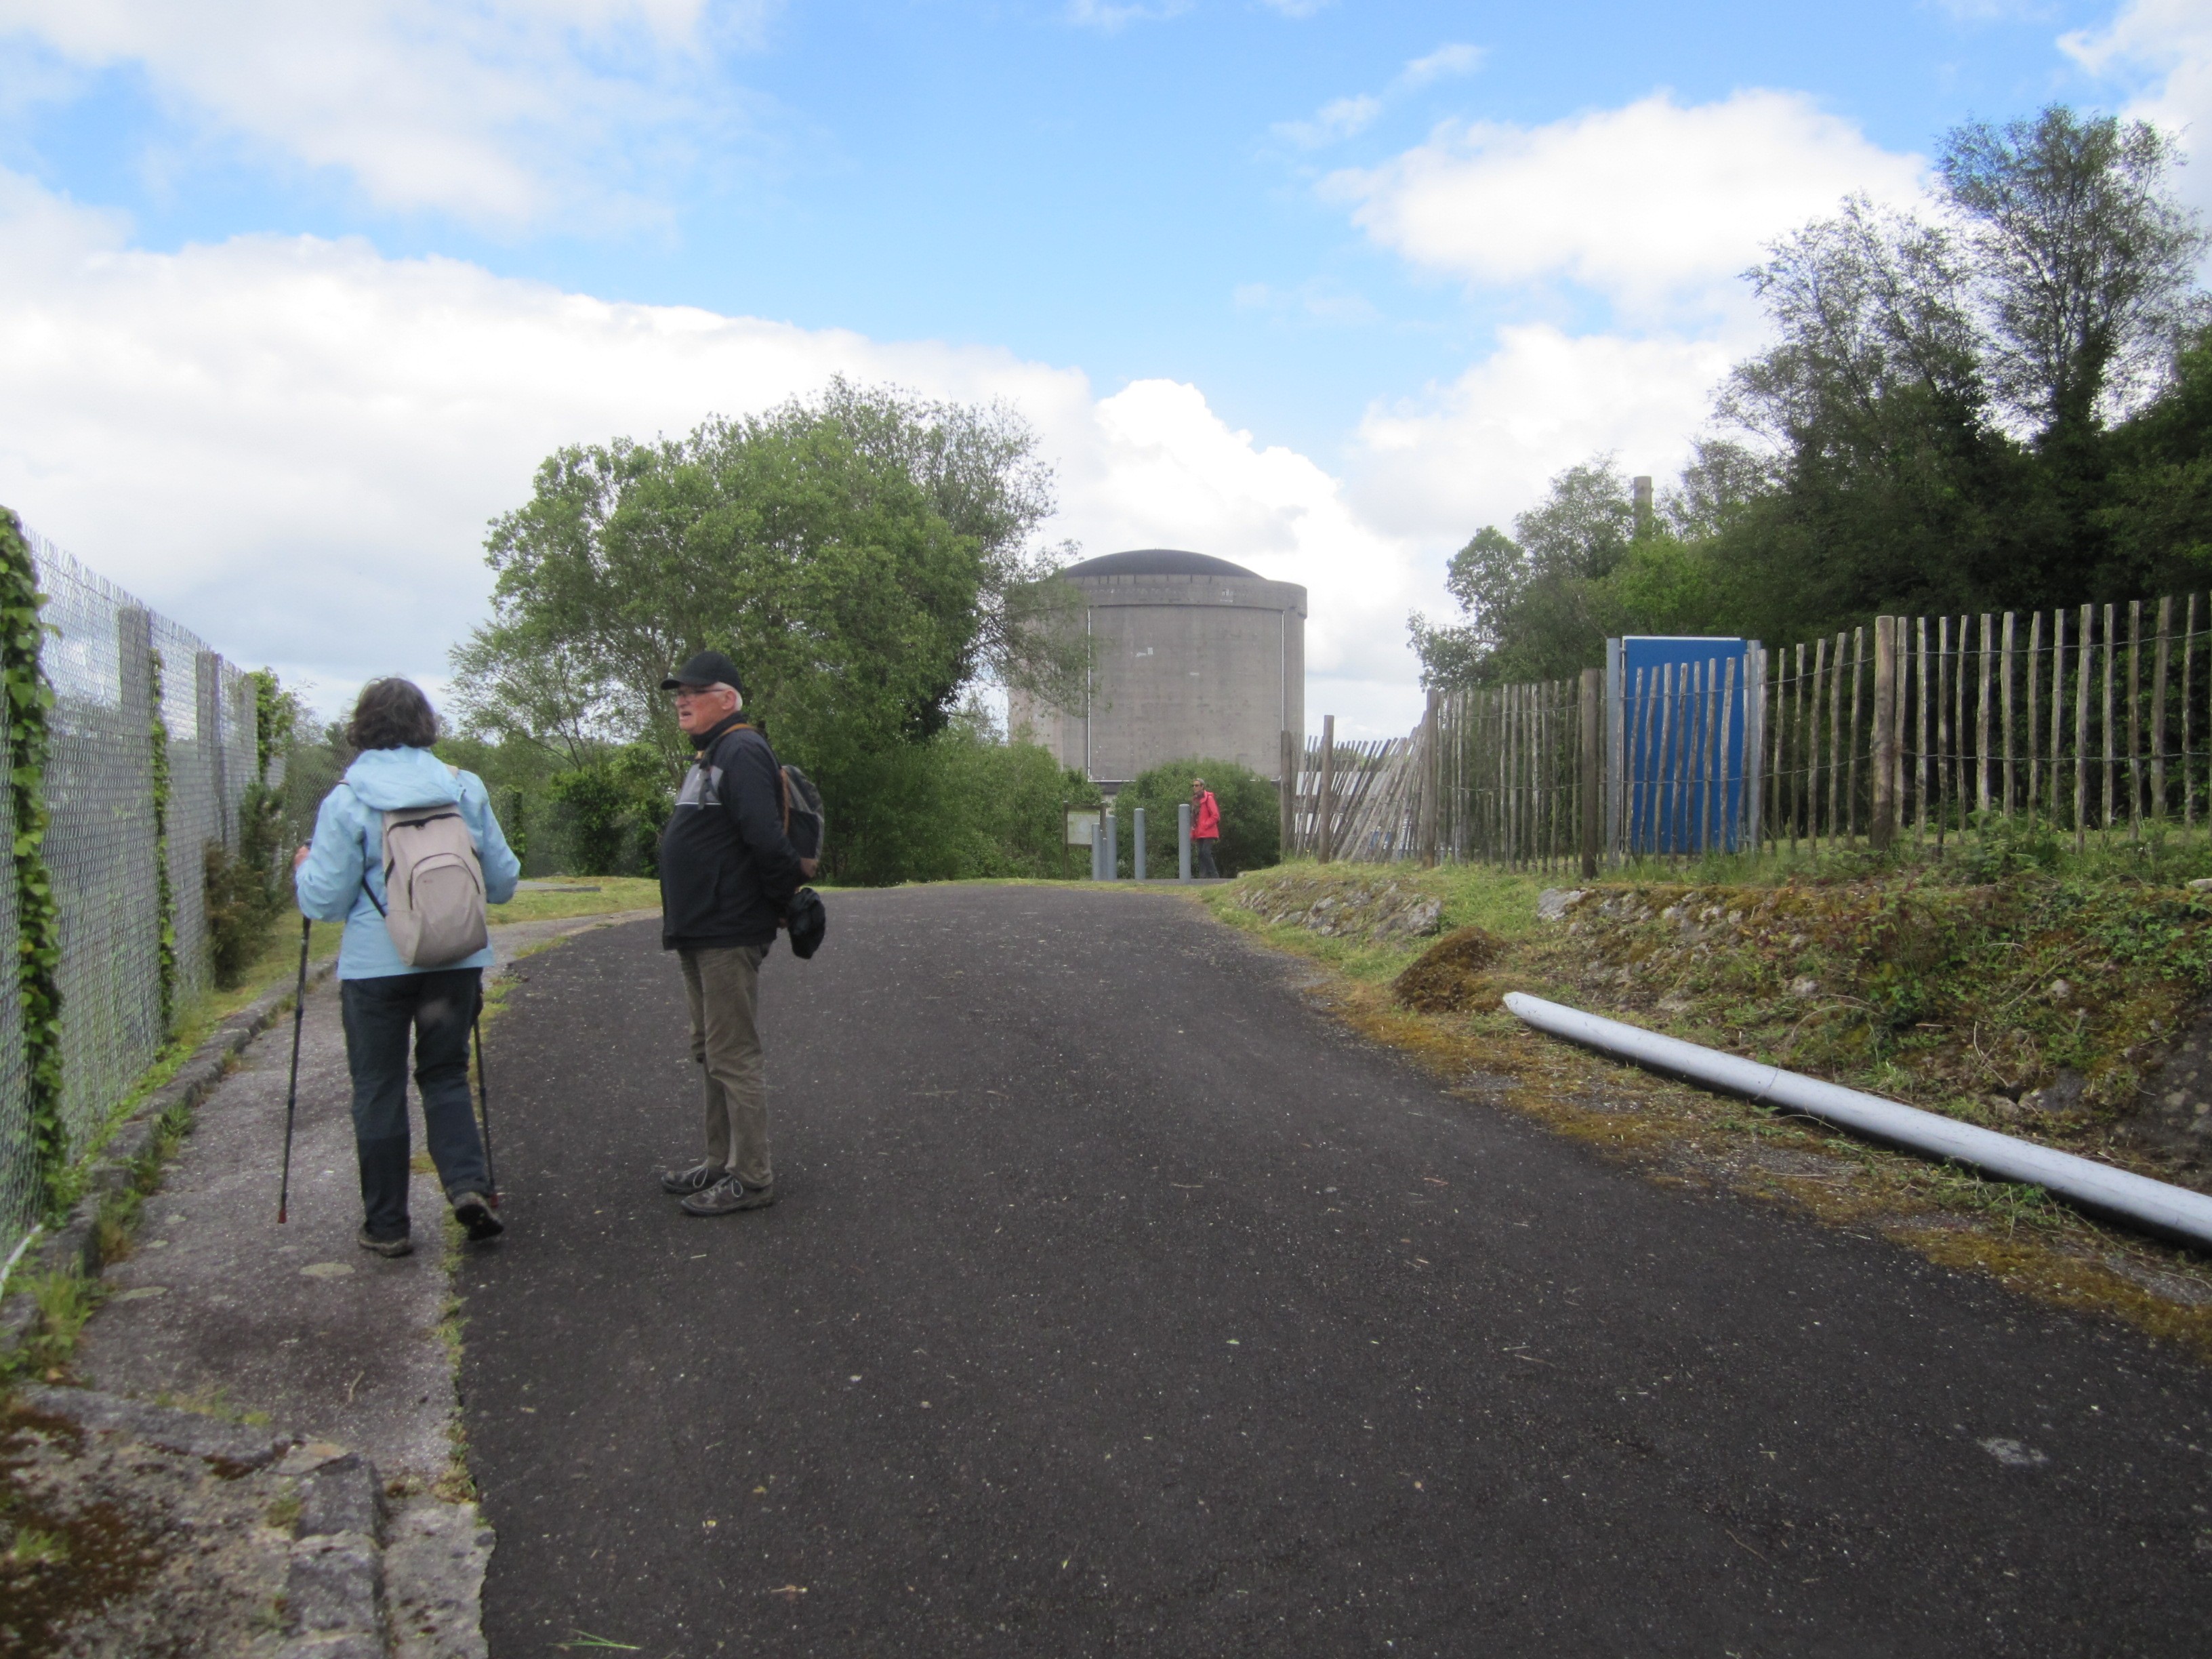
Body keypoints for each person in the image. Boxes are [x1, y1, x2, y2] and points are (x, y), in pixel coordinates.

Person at [294, 678, 520, 1258]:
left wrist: (303, 869)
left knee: (378, 1086)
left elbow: (323, 901)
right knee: (444, 1075)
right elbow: (501, 883)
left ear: (361, 727)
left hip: (376, 969)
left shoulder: (347, 800)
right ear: (426, 724)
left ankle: (388, 1225)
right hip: (455, 959)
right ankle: (469, 1186)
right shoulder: (462, 789)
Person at [655, 650, 813, 1217]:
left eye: (694, 691)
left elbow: (767, 841)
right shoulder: (710, 754)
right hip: (700, 930)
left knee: (732, 1054)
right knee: (710, 1051)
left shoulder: (742, 750)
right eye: (679, 691)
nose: (682, 699)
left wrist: (790, 899)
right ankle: (719, 1163)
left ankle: (752, 1178)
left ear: (728, 699)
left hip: (726, 930)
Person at [1191, 776, 1222, 878]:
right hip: (1199, 832)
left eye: (1197, 785)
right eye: (1193, 785)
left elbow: (1216, 815)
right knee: (1200, 854)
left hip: (1208, 831)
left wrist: (1206, 824)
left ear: (1202, 786)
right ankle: (1203, 877)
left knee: (1205, 852)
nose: (1195, 787)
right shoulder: (1195, 800)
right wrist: (1193, 831)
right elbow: (1194, 819)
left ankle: (1214, 875)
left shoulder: (1209, 798)